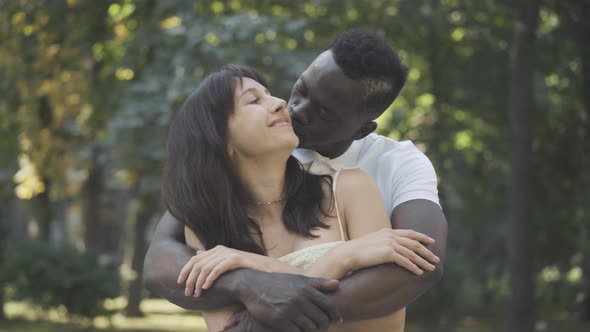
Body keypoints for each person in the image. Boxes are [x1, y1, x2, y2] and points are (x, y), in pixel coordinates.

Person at [144, 29, 448, 331]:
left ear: (360, 131)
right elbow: (160, 261)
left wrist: (267, 292)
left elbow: (421, 262)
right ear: (222, 140)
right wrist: (336, 260)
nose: (291, 108)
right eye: (300, 90)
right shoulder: (214, 208)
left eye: (323, 113)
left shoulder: (368, 177)